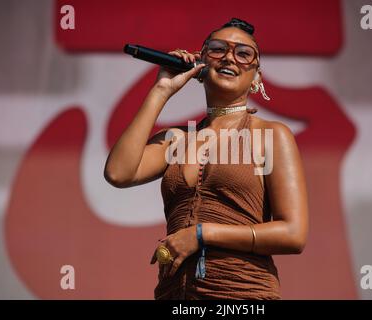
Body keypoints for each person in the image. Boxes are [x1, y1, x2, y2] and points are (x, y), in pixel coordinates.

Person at [104, 18, 308, 299]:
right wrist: (161, 90)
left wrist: (202, 234)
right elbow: (118, 173)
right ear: (200, 64)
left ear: (257, 77)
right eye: (217, 49)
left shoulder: (271, 135)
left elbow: (293, 233)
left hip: (242, 294)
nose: (229, 57)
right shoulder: (176, 140)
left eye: (244, 53)